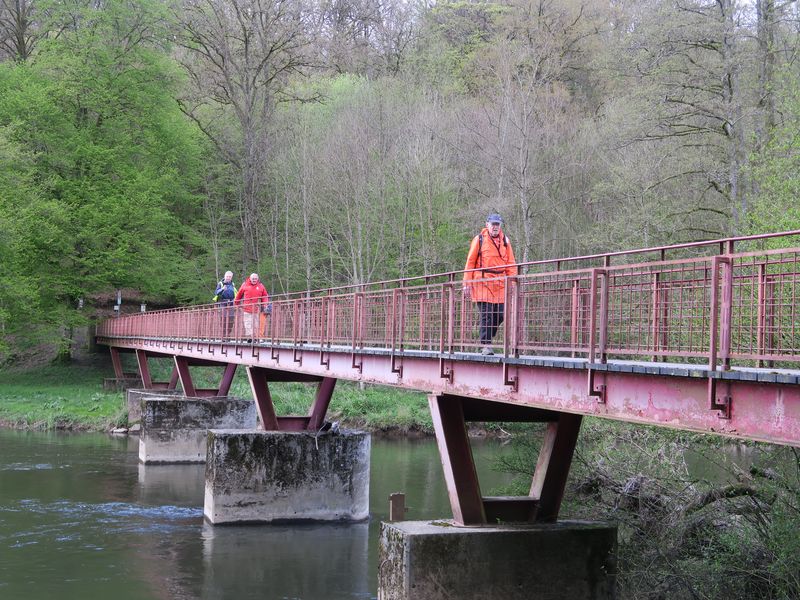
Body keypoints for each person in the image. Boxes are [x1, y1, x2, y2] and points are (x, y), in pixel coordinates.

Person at [463, 213, 518, 355]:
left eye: (497, 224)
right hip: (483, 282)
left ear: (500, 226)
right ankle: (486, 345)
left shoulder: (506, 241)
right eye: (493, 224)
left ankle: (487, 336)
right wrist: (466, 283)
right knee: (486, 315)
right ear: (487, 224)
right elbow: (470, 262)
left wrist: (512, 282)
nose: (495, 227)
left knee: (500, 315)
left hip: (500, 284)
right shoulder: (479, 239)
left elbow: (511, 263)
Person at [234, 273, 269, 341]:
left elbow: (265, 296)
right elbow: (239, 294)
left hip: (256, 309)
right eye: (253, 279)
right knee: (248, 323)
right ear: (250, 278)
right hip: (246, 308)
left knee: (255, 324)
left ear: (257, 279)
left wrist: (265, 304)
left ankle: (255, 337)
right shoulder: (245, 285)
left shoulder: (260, 286)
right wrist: (236, 303)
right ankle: (250, 337)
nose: (254, 280)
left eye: (255, 279)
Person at [213, 271, 237, 337]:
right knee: (223, 319)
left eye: (229, 277)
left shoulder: (233, 284)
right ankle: (223, 334)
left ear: (231, 277)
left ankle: (228, 333)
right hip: (223, 302)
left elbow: (235, 293)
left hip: (231, 303)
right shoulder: (220, 283)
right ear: (224, 276)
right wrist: (222, 289)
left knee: (231, 319)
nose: (228, 278)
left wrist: (236, 300)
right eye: (227, 276)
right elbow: (216, 292)